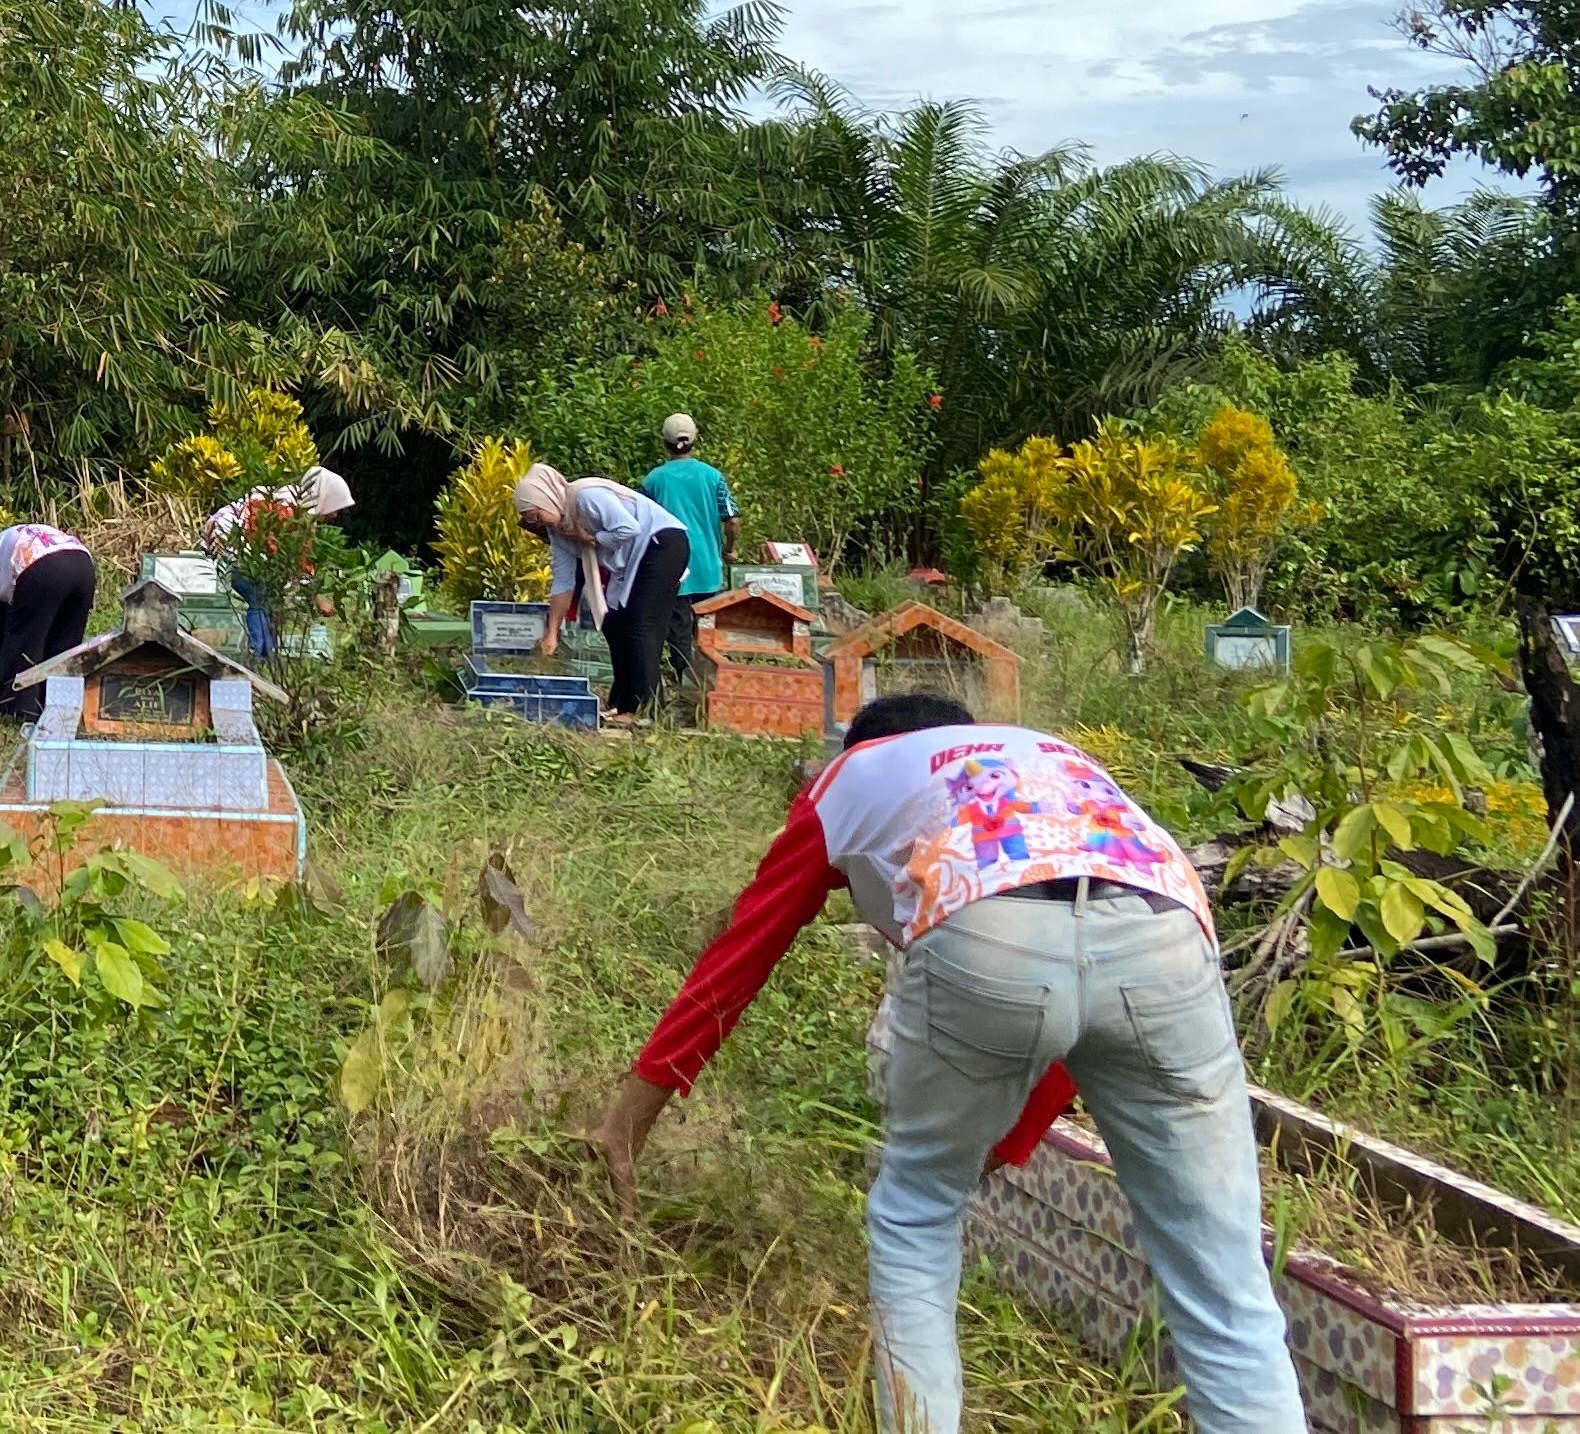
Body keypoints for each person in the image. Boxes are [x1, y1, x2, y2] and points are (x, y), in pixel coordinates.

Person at [598, 692, 1303, 1434]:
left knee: (916, 1213)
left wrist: (624, 1126)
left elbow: (738, 960)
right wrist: (1007, 1143)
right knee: (1224, 1278)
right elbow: (1081, 1011)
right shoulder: (1048, 755)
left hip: (985, 924)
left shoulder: (847, 780)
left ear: (853, 748)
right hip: (1168, 927)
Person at [511, 463, 691, 720]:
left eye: (535, 514)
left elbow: (628, 528)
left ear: (547, 497)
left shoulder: (585, 496)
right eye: (529, 519)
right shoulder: (561, 531)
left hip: (662, 544)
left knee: (641, 625)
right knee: (615, 623)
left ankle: (648, 710)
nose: (535, 523)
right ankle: (623, 702)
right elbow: (563, 583)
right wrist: (551, 633)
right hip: (636, 560)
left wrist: (594, 540)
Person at [205, 464, 354, 659]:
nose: (334, 515)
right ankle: (258, 658)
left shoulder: (287, 503)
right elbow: (297, 559)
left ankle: (264, 657)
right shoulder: (292, 513)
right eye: (335, 508)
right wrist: (317, 598)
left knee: (262, 601)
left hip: (234, 549)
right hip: (234, 550)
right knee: (259, 599)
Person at [0, 521, 95, 722]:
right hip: (83, 565)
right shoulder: (11, 540)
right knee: (64, 648)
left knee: (22, 643)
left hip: (43, 566)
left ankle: (15, 713)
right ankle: (61, 712)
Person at [640, 414, 740, 603]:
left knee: (676, 631)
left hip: (671, 570)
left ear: (664, 442)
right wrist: (730, 549)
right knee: (706, 630)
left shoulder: (653, 480)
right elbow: (732, 520)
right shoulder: (713, 476)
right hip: (708, 572)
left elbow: (641, 525)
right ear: (696, 439)